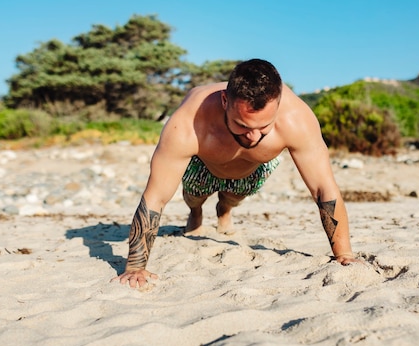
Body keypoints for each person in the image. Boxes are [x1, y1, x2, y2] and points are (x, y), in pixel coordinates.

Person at [113, 59, 358, 288]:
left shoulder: (297, 120)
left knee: (235, 195)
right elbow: (155, 196)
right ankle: (195, 212)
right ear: (224, 102)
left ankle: (224, 210)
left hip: (253, 168)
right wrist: (135, 267)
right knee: (195, 195)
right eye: (242, 125)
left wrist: (344, 254)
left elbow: (323, 188)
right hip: (204, 164)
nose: (252, 136)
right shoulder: (189, 122)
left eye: (263, 127)